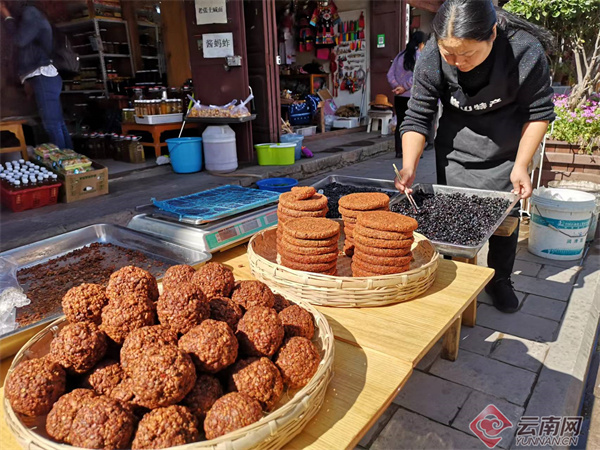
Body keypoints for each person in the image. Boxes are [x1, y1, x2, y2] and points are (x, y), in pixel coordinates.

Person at [396, 0, 555, 313]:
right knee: (453, 219)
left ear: (492, 34)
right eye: (449, 54)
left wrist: (522, 165)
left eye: (467, 53)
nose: (457, 62)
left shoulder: (524, 51)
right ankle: (454, 277)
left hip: (509, 147)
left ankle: (500, 280)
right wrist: (409, 166)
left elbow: (539, 113)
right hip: (455, 149)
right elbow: (418, 115)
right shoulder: (432, 54)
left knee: (503, 222)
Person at [1, 0, 73, 149]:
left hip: (43, 76)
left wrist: (6, 16)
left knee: (53, 125)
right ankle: (71, 162)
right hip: (44, 78)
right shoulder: (31, 14)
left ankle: (65, 164)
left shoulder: (31, 13)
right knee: (57, 123)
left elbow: (20, 40)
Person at [387, 31, 428, 158]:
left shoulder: (399, 56)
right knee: (415, 124)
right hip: (415, 96)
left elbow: (389, 75)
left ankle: (399, 151)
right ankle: (414, 152)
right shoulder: (420, 56)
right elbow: (418, 75)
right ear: (421, 43)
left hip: (399, 97)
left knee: (400, 123)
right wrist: (404, 87)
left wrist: (397, 87)